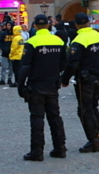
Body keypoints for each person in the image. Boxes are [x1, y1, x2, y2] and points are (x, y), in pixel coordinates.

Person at [18, 14, 68, 161]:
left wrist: (21, 85)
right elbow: (64, 63)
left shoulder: (32, 42)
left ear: (34, 26)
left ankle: (37, 151)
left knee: (37, 118)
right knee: (55, 117)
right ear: (48, 25)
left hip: (36, 84)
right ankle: (60, 148)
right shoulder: (58, 41)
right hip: (52, 84)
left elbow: (25, 66)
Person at [61, 13, 99, 153]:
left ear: (76, 25)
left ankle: (94, 141)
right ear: (88, 22)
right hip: (98, 76)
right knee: (94, 107)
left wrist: (65, 79)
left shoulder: (79, 40)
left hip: (85, 79)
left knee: (85, 110)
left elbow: (73, 63)